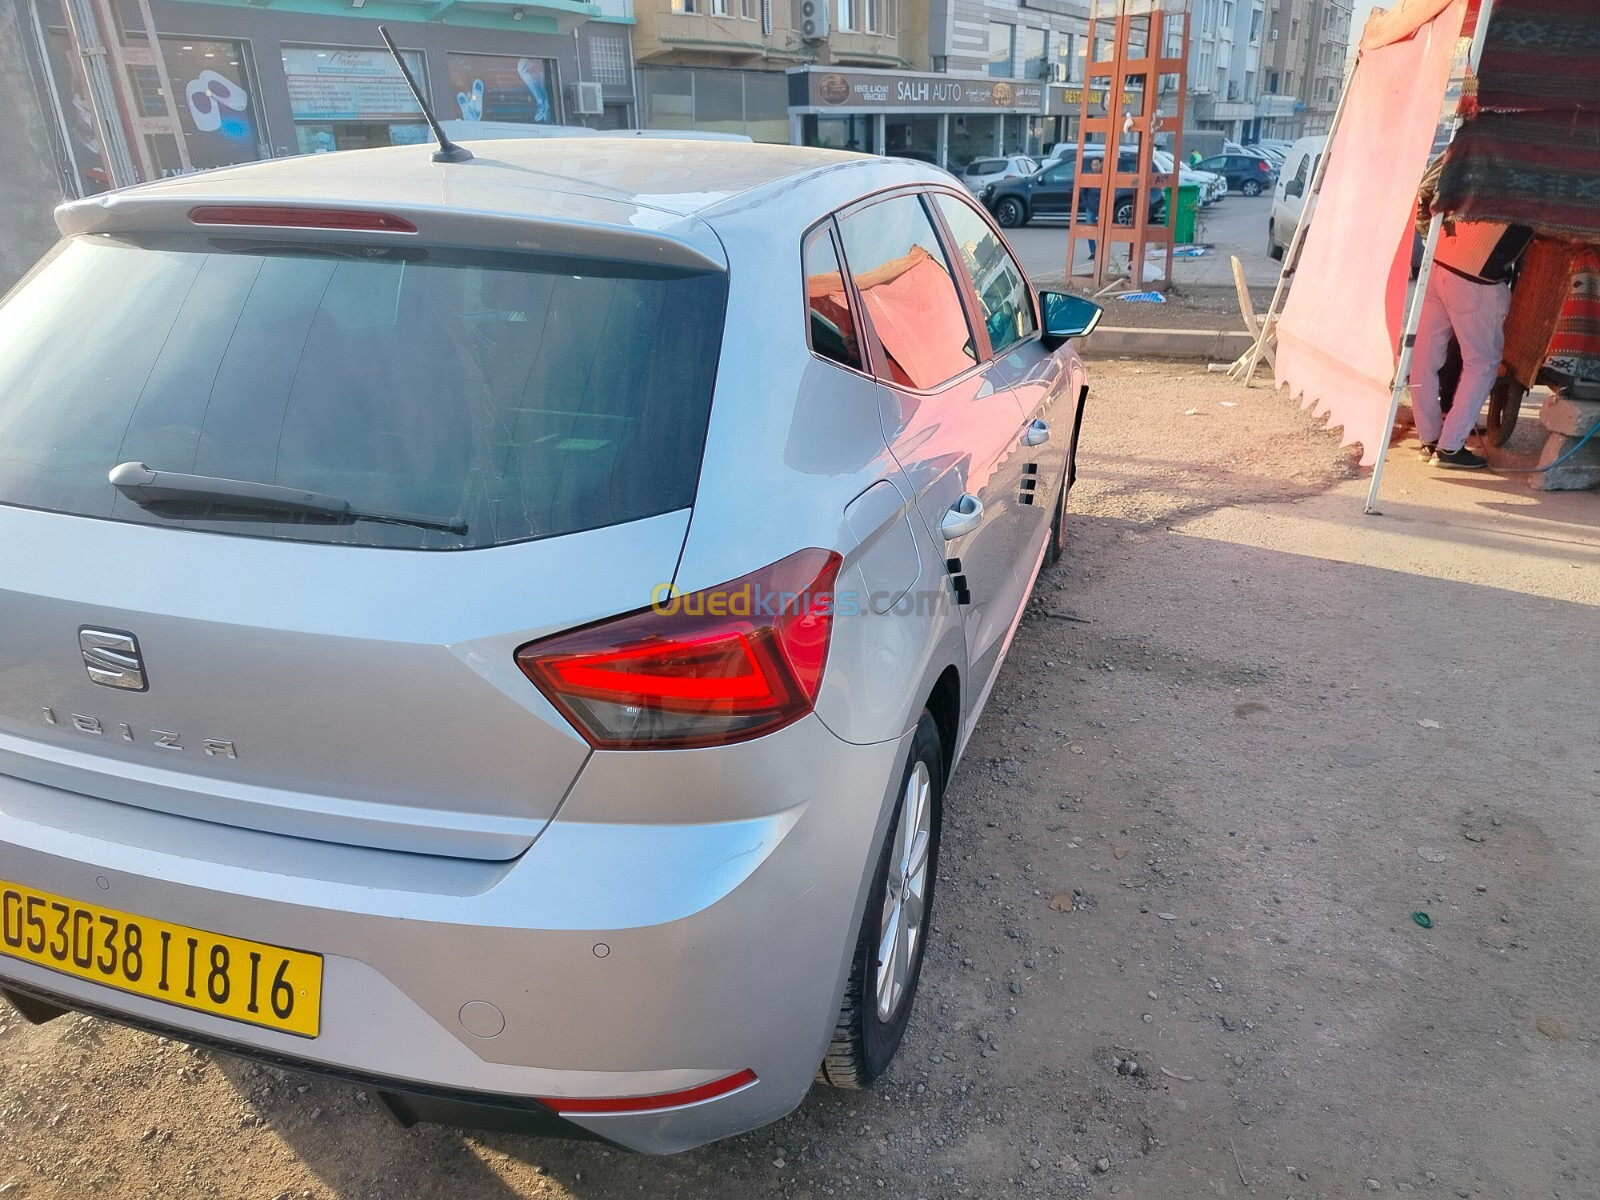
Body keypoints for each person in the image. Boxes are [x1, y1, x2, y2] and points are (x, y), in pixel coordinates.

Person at [1409, 156, 1534, 469]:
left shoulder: (1474, 154)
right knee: (1482, 364)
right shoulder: (1531, 175)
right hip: (1475, 278)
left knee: (1425, 357)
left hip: (1438, 262)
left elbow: (1427, 189)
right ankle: (1449, 448)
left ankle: (1430, 438)